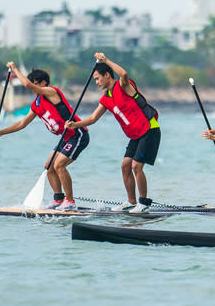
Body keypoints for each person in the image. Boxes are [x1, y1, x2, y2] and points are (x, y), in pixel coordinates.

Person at [65, 52, 160, 213]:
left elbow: (123, 73)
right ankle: (131, 201)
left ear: (107, 75)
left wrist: (106, 60)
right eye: (94, 79)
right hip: (135, 135)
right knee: (125, 166)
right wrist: (75, 124)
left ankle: (143, 204)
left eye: (97, 78)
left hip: (149, 129)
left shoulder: (123, 86)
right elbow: (93, 118)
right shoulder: (106, 98)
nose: (96, 82)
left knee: (136, 166)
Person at [0, 62, 90, 210]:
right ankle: (58, 200)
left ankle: (70, 202)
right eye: (33, 85)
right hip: (66, 137)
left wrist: (15, 70)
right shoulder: (37, 103)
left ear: (43, 83)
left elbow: (28, 86)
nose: (34, 89)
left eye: (36, 84)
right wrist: (1, 132)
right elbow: (22, 123)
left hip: (78, 134)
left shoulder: (51, 92)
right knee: (48, 167)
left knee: (59, 165)